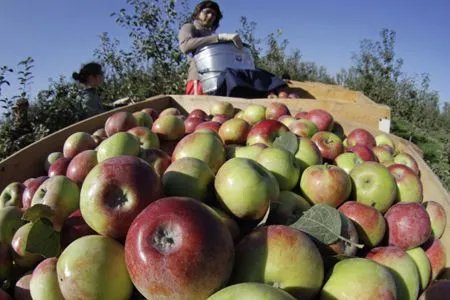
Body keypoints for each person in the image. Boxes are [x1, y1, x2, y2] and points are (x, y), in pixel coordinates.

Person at [178, 1, 243, 95]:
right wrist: (219, 38)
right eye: (207, 12)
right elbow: (185, 46)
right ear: (198, 13)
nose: (210, 16)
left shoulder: (211, 35)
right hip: (199, 80)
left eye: (214, 14)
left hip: (217, 80)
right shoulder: (190, 27)